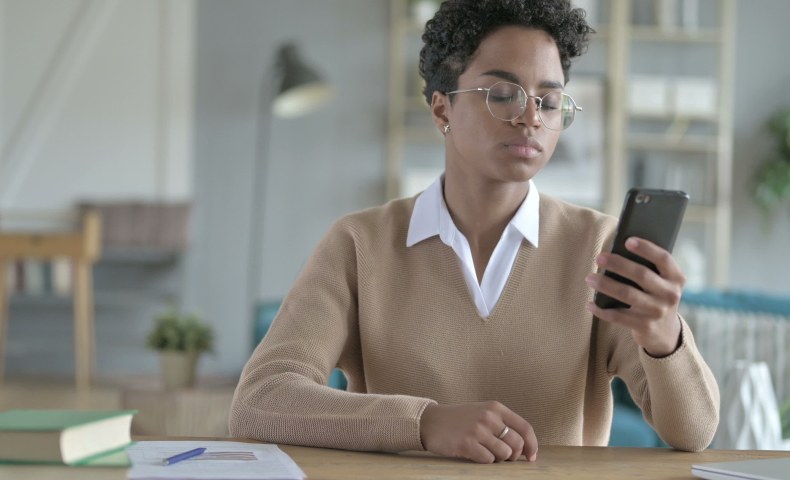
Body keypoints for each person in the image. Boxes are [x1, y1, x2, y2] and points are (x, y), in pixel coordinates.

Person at [230, 0, 719, 464]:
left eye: (548, 101)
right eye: (503, 95)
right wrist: (423, 423)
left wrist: (664, 336)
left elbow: (694, 434)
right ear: (442, 110)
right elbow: (259, 400)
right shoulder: (360, 245)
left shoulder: (598, 247)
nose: (531, 117)